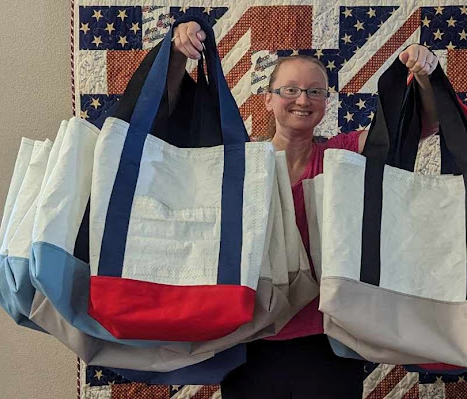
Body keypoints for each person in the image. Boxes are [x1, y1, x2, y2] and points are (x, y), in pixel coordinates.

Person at [168, 21, 439, 399]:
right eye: (290, 90)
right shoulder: (240, 164)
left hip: (327, 344)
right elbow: (172, 119)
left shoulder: (341, 157)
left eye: (315, 91)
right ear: (267, 99)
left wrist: (426, 76)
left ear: (326, 103)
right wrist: (177, 54)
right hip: (251, 342)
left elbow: (419, 128)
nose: (303, 99)